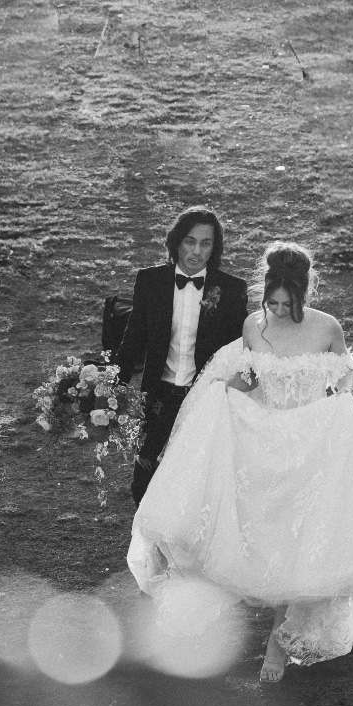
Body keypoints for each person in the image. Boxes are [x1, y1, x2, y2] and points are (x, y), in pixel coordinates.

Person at [127, 240, 353, 682]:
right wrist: (225, 392)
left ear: (304, 294)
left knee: (291, 536)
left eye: (287, 303)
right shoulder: (253, 326)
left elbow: (345, 371)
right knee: (249, 525)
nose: (278, 311)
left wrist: (338, 397)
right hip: (259, 435)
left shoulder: (327, 328)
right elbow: (250, 374)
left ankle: (276, 644)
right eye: (272, 302)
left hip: (307, 440)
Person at [116, 205, 249, 506]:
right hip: (158, 396)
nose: (197, 251)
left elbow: (237, 352)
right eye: (190, 241)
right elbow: (133, 340)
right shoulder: (151, 282)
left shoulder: (231, 289)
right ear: (176, 241)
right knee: (144, 482)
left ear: (215, 248)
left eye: (206, 243)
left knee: (195, 486)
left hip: (204, 400)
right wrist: (110, 388)